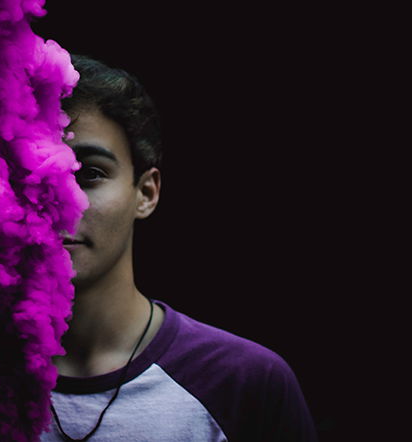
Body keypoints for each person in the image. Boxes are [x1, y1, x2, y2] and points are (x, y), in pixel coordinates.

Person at [42, 55, 317, 442]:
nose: (61, 202)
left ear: (146, 192)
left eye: (90, 173)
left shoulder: (244, 382)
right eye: (31, 176)